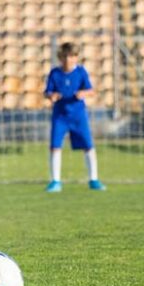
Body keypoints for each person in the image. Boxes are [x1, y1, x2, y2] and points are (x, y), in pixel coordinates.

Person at [44, 42, 106, 193]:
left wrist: (83, 94)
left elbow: (91, 91)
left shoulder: (81, 72)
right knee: (55, 147)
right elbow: (47, 92)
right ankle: (55, 181)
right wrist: (51, 96)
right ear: (60, 57)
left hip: (79, 115)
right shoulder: (54, 73)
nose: (68, 60)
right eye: (65, 56)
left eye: (72, 56)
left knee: (88, 146)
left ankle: (94, 179)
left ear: (76, 58)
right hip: (60, 116)